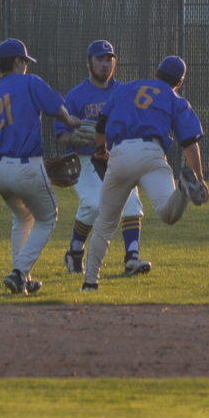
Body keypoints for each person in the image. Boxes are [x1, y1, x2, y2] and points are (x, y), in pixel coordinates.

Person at [81, 55, 209, 291]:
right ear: (179, 82)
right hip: (151, 154)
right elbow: (190, 142)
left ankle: (90, 282)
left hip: (120, 154)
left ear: (157, 72)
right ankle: (183, 188)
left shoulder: (125, 89)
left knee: (105, 224)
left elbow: (101, 125)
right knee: (167, 214)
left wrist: (100, 151)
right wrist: (199, 178)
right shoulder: (174, 98)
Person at [0, 38, 83, 295]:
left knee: (22, 217)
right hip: (26, 165)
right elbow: (55, 107)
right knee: (47, 218)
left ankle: (23, 278)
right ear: (17, 62)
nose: (26, 66)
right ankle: (19, 273)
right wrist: (70, 120)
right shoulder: (29, 82)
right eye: (24, 61)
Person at [60, 39, 151, 278]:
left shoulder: (124, 93)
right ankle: (75, 251)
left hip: (116, 157)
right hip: (84, 159)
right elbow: (61, 135)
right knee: (93, 204)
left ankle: (132, 258)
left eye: (109, 59)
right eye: (99, 59)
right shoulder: (76, 96)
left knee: (131, 203)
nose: (105, 64)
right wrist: (76, 137)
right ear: (89, 62)